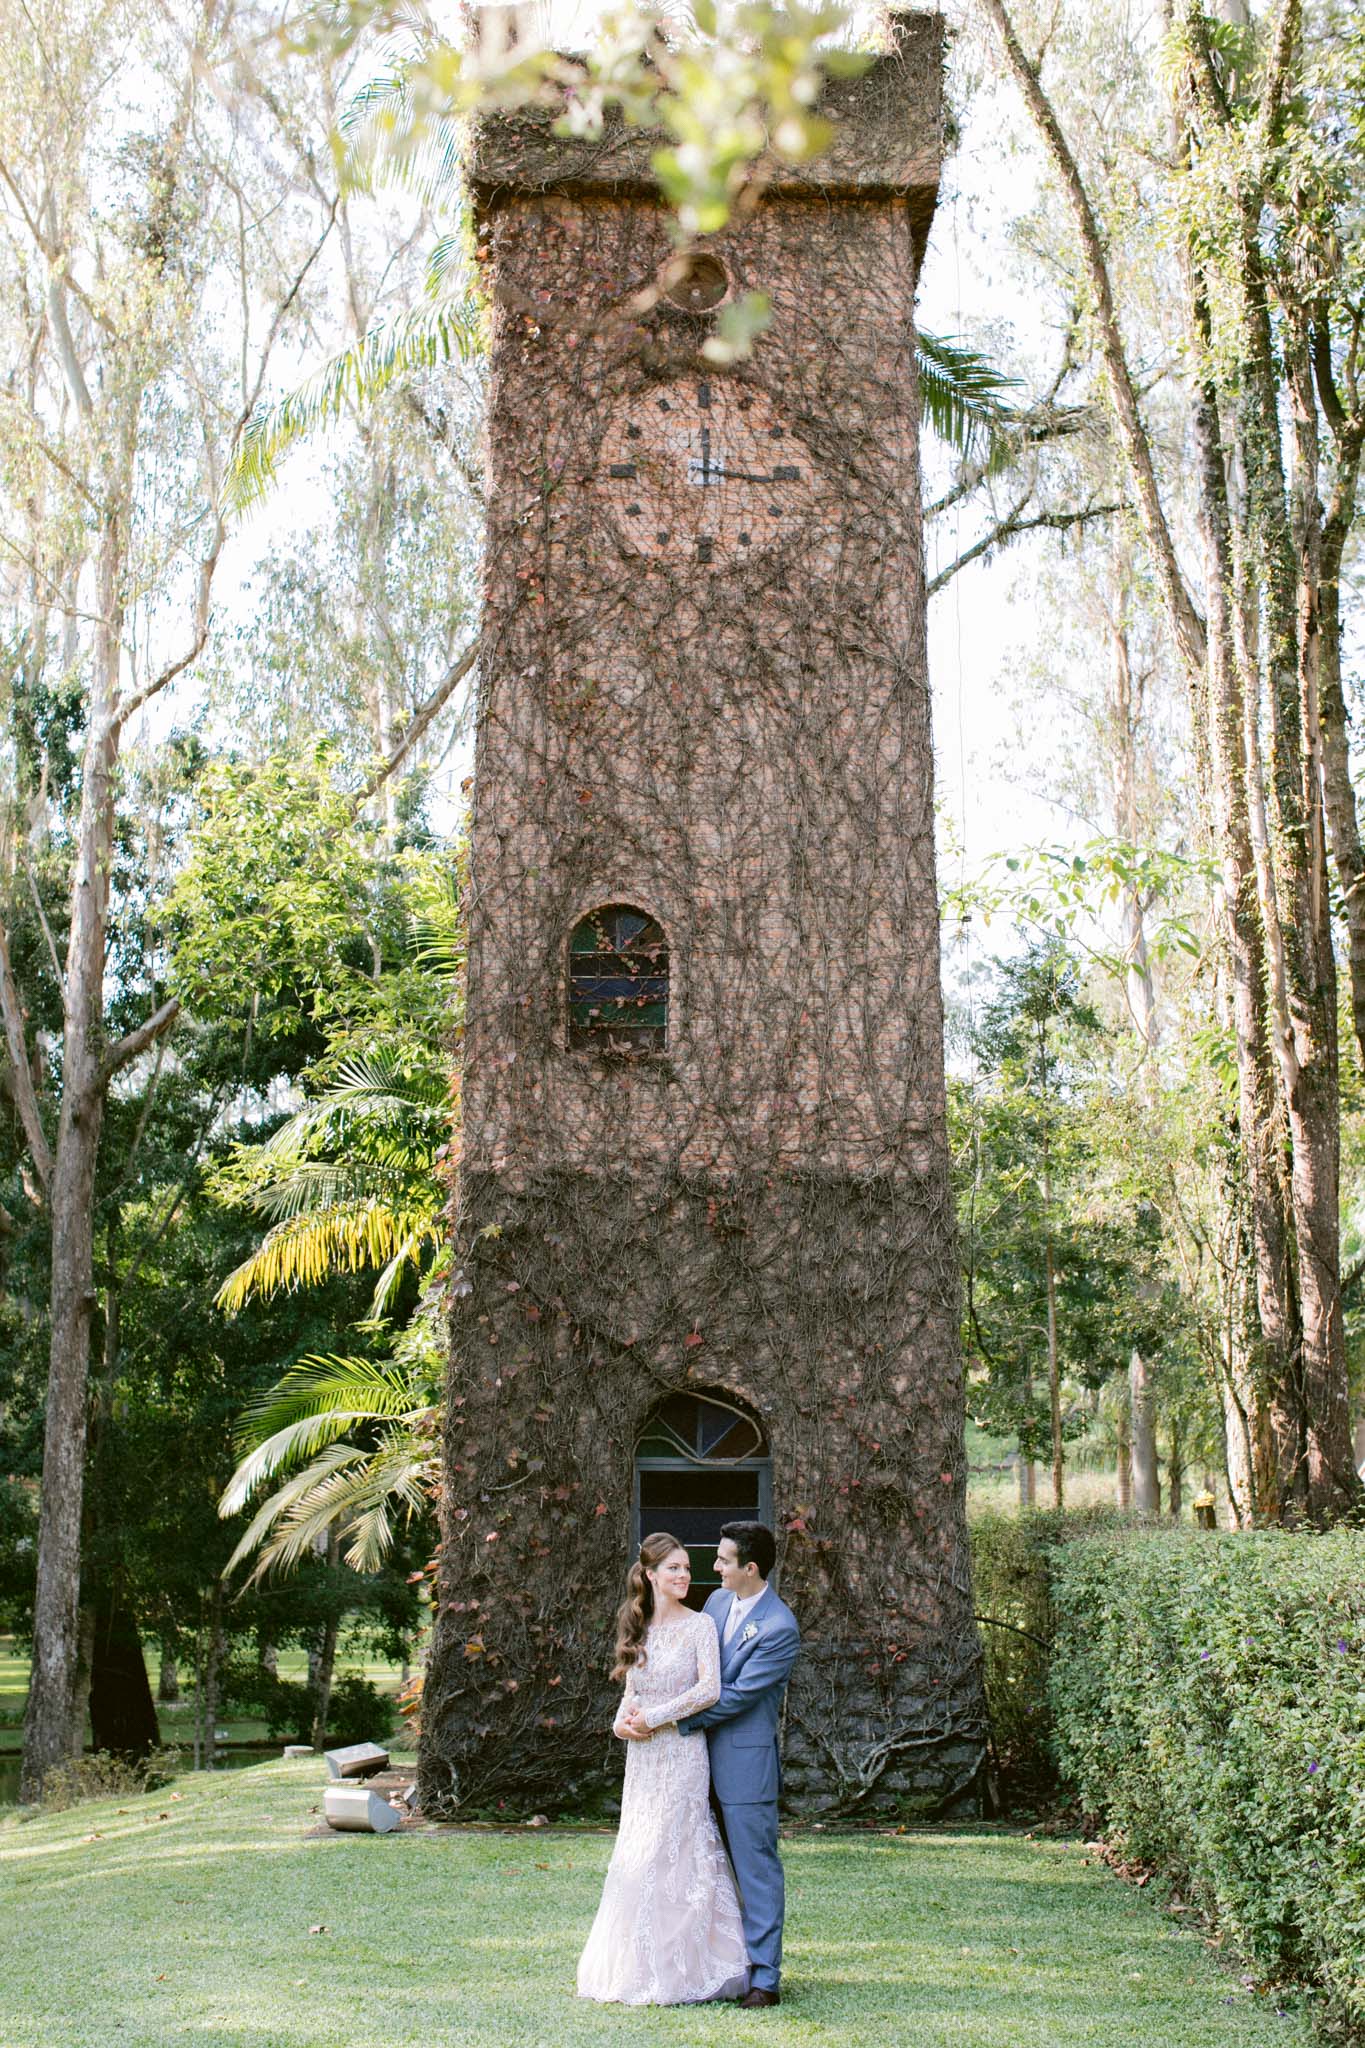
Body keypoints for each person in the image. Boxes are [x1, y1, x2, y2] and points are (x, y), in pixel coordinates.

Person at [576, 1532, 750, 2006]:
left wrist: (654, 1718)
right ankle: (638, 1964)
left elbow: (708, 1691)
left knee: (674, 1847)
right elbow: (631, 1691)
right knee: (639, 1848)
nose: (683, 1576)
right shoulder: (640, 1627)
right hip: (644, 1759)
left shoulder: (700, 1628)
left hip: (682, 1753)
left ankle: (692, 1966)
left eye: (687, 1569)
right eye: (673, 1568)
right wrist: (622, 1725)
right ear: (650, 1574)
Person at [652, 1521, 801, 2009]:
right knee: (703, 1867)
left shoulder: (779, 1628)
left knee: (755, 1870)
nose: (713, 1567)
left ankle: (765, 1979)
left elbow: (735, 1695)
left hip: (743, 1768)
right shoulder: (716, 1604)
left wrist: (669, 1720)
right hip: (693, 1765)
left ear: (750, 1568)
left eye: (723, 1560)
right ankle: (716, 1966)